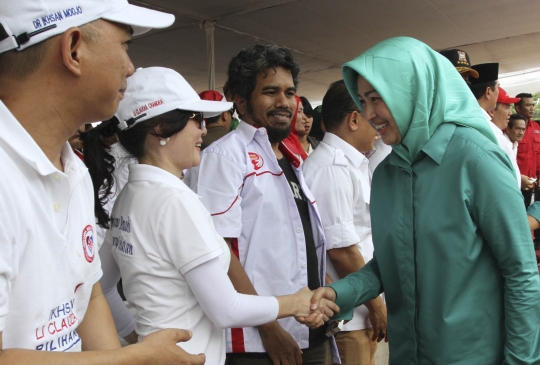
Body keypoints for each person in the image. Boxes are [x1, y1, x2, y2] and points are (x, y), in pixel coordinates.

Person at [0, 0, 211, 363]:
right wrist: (136, 357)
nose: (130, 68)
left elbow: (89, 291)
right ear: (74, 49)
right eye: (126, 45)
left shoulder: (73, 171)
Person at [306, 36, 540, 364]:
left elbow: (521, 272)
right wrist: (338, 293)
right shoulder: (388, 172)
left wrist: (521, 360)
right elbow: (394, 262)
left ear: (412, 89)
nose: (369, 113)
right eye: (362, 100)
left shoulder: (476, 159)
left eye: (377, 98)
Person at [86, 67, 336, 365]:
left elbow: (100, 288)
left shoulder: (129, 197)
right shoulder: (175, 202)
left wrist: (137, 341)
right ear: (161, 129)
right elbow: (226, 309)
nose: (204, 130)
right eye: (195, 119)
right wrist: (295, 302)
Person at [197, 44, 338, 365]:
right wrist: (270, 329)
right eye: (270, 92)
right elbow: (220, 251)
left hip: (309, 329)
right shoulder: (226, 155)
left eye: (290, 93)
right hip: (259, 343)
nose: (284, 103)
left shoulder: (288, 157)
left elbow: (300, 244)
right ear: (242, 101)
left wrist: (324, 298)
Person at [302, 80, 386, 365]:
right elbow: (341, 250)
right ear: (353, 119)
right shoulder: (332, 168)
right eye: (370, 113)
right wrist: (375, 304)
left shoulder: (348, 164)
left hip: (358, 309)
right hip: (351, 315)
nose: (377, 124)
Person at [487, 87, 521, 186]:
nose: (510, 112)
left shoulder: (498, 136)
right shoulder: (497, 138)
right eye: (507, 107)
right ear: (492, 111)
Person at [515, 93, 540, 207]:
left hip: (531, 183)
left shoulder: (536, 127)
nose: (532, 108)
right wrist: (518, 177)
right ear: (518, 108)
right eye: (528, 105)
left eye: (533, 105)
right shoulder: (509, 128)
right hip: (516, 183)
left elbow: (538, 154)